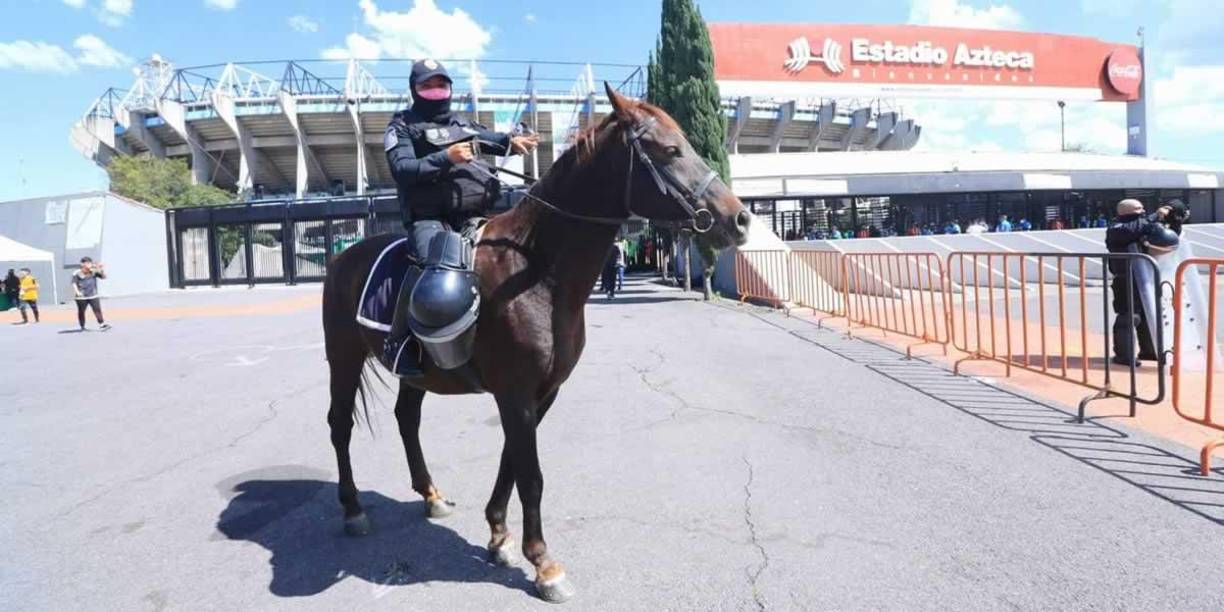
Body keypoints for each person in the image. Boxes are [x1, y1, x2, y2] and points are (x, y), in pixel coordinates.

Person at [382, 58, 539, 372]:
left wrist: (512, 142)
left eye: (441, 84)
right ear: (414, 89)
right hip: (428, 217)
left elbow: (492, 139)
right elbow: (402, 169)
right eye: (427, 85)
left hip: (471, 215)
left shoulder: (462, 124)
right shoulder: (401, 126)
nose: (435, 90)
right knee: (430, 267)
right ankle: (399, 342)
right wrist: (446, 157)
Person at [1105, 199, 1170, 365]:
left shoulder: (1142, 225)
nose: (1142, 212)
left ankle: (1149, 351)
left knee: (1147, 314)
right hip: (1126, 278)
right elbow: (1133, 228)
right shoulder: (1117, 228)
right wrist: (1155, 216)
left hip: (1145, 276)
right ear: (1124, 211)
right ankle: (1124, 356)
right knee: (1129, 316)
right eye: (1138, 209)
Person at [72, 257, 110, 331]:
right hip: (81, 297)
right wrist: (77, 292)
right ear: (82, 264)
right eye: (88, 263)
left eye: (90, 263)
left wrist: (101, 269)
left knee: (97, 309)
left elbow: (104, 277)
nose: (90, 264)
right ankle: (82, 326)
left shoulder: (93, 271)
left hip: (93, 295)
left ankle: (102, 325)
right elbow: (74, 283)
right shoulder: (77, 273)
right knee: (81, 311)